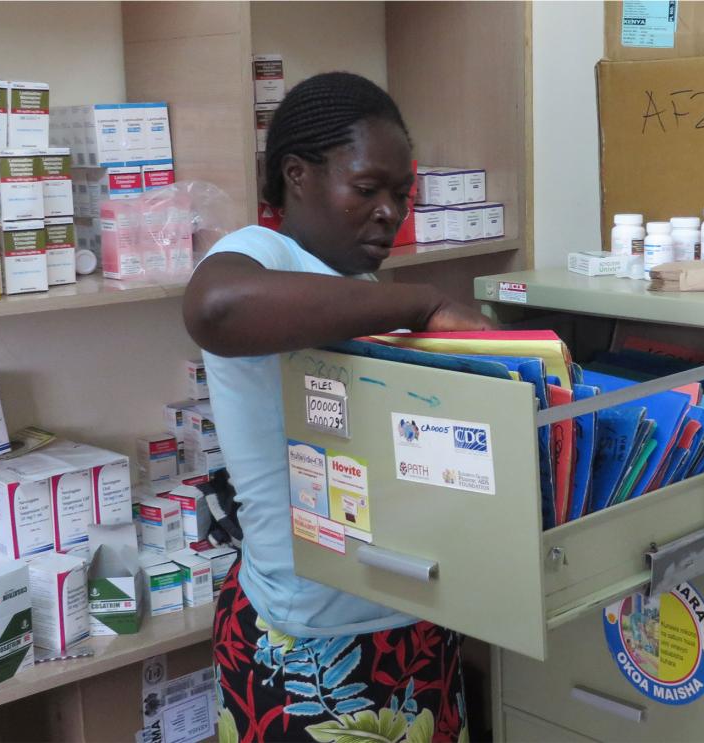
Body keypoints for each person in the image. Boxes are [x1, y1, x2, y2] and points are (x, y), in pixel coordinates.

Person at [184, 72, 493, 743]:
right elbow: (215, 307)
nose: (391, 211)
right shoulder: (261, 253)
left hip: (411, 621)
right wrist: (424, 304)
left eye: (402, 195)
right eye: (368, 189)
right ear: (298, 175)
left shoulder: (355, 282)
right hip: (309, 644)